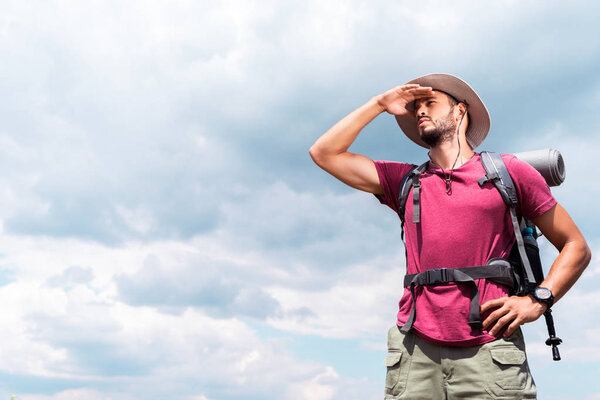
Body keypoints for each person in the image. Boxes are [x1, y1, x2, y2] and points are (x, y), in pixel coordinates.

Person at [308, 73, 591, 399]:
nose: (420, 112)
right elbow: (323, 153)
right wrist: (378, 104)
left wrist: (537, 301)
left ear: (459, 111)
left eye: (430, 103)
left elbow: (575, 246)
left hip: (490, 350)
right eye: (416, 108)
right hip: (414, 351)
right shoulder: (404, 181)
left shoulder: (508, 172)